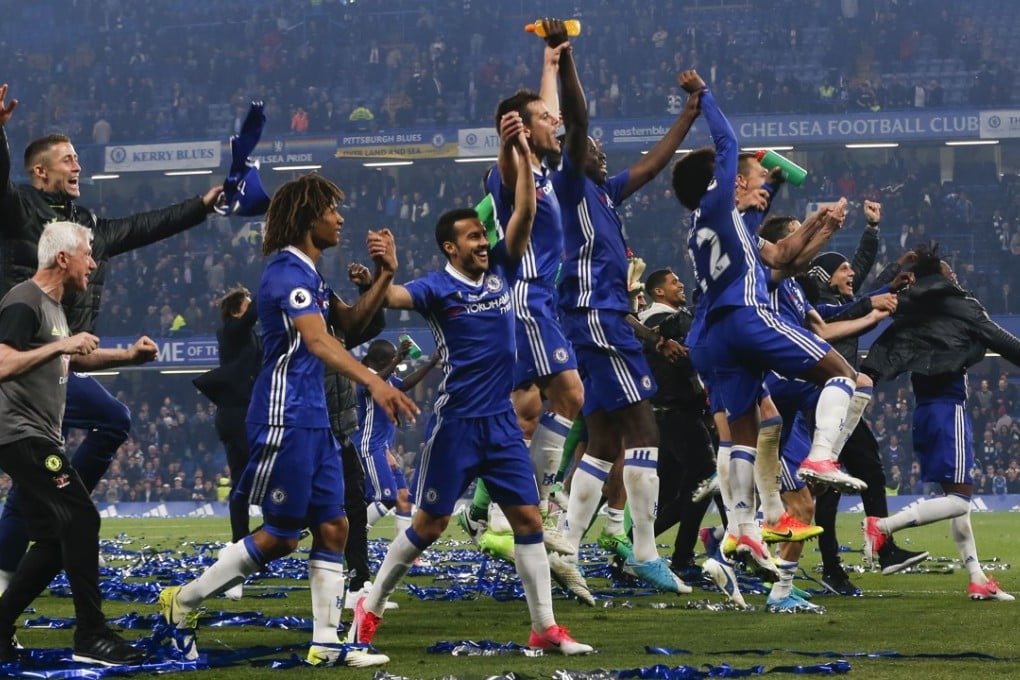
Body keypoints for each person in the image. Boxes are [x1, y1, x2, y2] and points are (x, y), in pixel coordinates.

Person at [347, 111, 593, 657]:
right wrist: (382, 273)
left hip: (501, 422)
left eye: (483, 234)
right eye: (472, 237)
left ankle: (544, 627)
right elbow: (391, 300)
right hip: (458, 424)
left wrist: (523, 154)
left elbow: (525, 214)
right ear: (449, 249)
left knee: (527, 520)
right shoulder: (436, 288)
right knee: (430, 525)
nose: (483, 242)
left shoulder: (503, 268)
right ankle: (372, 604)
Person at [159, 174, 418, 667]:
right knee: (280, 536)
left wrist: (385, 274)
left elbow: (349, 325)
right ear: (307, 218)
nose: (339, 218)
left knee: (335, 526)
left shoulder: (310, 274)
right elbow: (319, 342)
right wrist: (374, 381)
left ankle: (326, 644)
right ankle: (183, 601)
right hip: (284, 417)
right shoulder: (285, 274)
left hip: (316, 419)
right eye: (331, 210)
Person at [0, 83, 223, 589]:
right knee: (109, 420)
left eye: (78, 158)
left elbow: (145, 227)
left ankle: (9, 570)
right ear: (40, 172)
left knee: (33, 482)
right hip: (23, 363)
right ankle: (58, 511)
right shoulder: (18, 209)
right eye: (68, 159)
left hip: (61, 365)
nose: (78, 165)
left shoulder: (87, 227)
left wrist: (202, 206)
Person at [671, 69, 858, 589]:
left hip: (711, 338)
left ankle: (743, 527)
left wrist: (807, 213)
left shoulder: (713, 226)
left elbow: (781, 254)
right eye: (748, 180)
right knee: (844, 376)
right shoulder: (719, 204)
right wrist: (704, 96)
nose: (755, 186)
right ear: (728, 182)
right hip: (745, 319)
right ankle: (820, 458)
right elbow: (729, 145)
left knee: (744, 433)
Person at [551, 25, 702, 592]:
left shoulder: (605, 193)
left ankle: (566, 543)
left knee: (606, 438)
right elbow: (578, 122)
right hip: (596, 314)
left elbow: (653, 165)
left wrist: (688, 116)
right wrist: (565, 60)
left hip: (598, 317)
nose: (600, 152)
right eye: (593, 148)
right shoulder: (571, 184)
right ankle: (643, 551)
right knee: (644, 428)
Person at [0, 221, 158, 665]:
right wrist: (61, 345)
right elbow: (3, 361)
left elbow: (73, 357)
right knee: (82, 518)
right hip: (21, 434)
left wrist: (128, 356)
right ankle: (91, 635)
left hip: (35, 435)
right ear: (62, 257)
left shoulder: (53, 307)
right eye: (88, 253)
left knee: (54, 539)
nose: (93, 263)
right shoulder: (25, 300)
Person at [860, 243, 1018, 601]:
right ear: (937, 278)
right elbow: (1002, 340)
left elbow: (877, 302)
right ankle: (882, 526)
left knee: (957, 500)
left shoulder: (916, 313)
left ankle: (977, 577)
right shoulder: (958, 305)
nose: (955, 277)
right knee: (959, 501)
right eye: (949, 272)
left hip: (925, 411)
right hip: (949, 409)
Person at [800, 216, 930, 593]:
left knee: (868, 471)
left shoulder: (842, 302)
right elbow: (861, 299)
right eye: (843, 270)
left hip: (842, 406)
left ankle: (881, 549)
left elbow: (863, 287)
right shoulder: (820, 308)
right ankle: (832, 567)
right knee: (827, 486)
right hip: (820, 405)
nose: (851, 273)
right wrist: (882, 287)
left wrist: (887, 258)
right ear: (826, 277)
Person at [637, 270, 721, 580]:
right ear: (658, 291)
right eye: (674, 282)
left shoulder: (658, 322)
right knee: (707, 480)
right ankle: (684, 556)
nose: (681, 284)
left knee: (678, 493)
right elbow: (688, 360)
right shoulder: (661, 322)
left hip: (669, 415)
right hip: (678, 414)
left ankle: (633, 548)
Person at [193, 285, 260, 600]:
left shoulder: (250, 337)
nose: (252, 307)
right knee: (245, 482)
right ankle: (239, 553)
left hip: (249, 413)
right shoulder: (232, 331)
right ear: (236, 310)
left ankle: (245, 550)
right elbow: (253, 316)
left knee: (247, 481)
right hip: (236, 416)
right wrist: (275, 285)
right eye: (248, 304)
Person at [355, 338, 439, 541]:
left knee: (403, 497)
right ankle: (354, 537)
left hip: (383, 447)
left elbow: (405, 384)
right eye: (392, 358)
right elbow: (374, 384)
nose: (396, 360)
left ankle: (403, 549)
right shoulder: (365, 377)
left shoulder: (389, 379)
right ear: (382, 361)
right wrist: (397, 360)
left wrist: (430, 364)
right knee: (387, 497)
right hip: (369, 446)